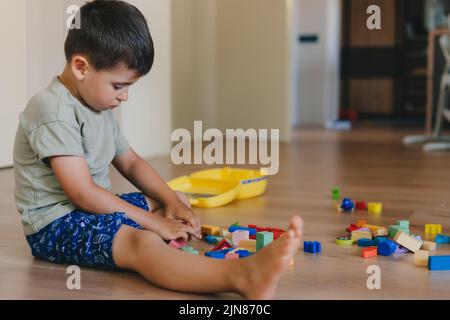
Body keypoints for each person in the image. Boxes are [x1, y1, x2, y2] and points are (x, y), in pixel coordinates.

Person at [13, 0, 303, 299]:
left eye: (129, 87)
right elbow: (82, 193)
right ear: (81, 67)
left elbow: (131, 162)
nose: (124, 96)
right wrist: (154, 224)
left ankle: (169, 245)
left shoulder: (97, 104)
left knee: (174, 199)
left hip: (94, 210)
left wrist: (170, 201)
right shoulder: (52, 111)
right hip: (57, 226)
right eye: (118, 86)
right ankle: (241, 277)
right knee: (142, 242)